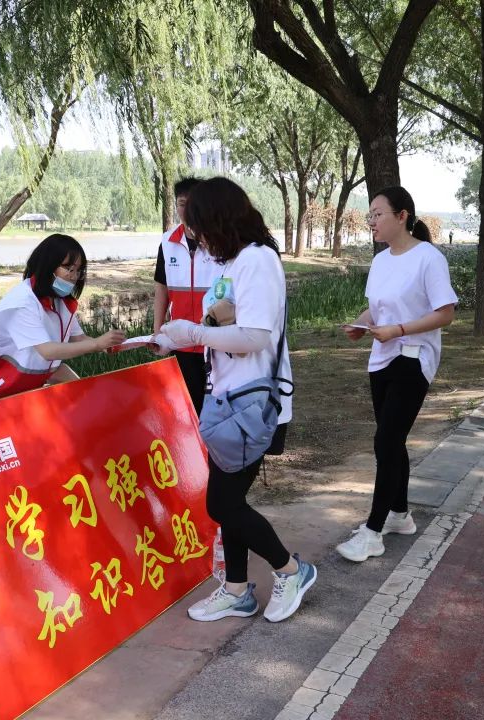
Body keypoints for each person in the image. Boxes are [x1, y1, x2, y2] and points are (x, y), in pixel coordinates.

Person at [156, 177, 316, 623]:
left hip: (253, 405)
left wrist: (195, 331)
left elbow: (255, 336)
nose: (200, 241)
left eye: (203, 229)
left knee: (222, 504)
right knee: (229, 502)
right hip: (228, 403)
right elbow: (229, 317)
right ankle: (237, 589)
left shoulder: (258, 261)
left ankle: (290, 569)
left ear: (222, 221)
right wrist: (187, 330)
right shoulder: (233, 263)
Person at [336, 187, 457, 563]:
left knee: (386, 442)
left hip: (413, 356)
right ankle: (400, 515)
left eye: (377, 214)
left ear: (402, 215)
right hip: (382, 356)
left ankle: (372, 532)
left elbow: (446, 312)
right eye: (369, 215)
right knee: (391, 441)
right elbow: (376, 309)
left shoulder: (428, 258)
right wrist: (360, 325)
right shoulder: (381, 260)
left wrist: (400, 330)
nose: (370, 221)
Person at [0, 233, 125, 410]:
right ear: (48, 265)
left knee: (85, 398)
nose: (73, 276)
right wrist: (96, 344)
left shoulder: (60, 302)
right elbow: (48, 351)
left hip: (12, 392)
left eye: (78, 271)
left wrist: (109, 344)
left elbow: (78, 339)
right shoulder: (23, 302)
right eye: (68, 268)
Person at [153, 177, 220, 414]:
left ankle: (215, 451)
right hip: (179, 341)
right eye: (182, 203)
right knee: (186, 408)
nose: (187, 209)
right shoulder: (167, 242)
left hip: (215, 342)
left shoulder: (219, 241)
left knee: (214, 406)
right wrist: (157, 331)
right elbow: (161, 288)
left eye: (193, 203)